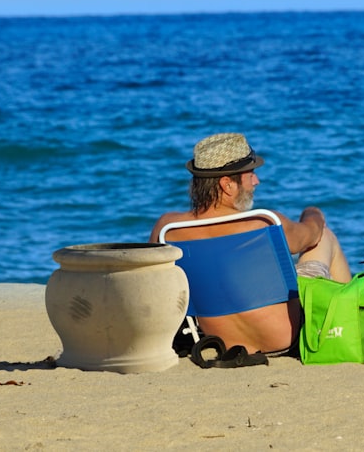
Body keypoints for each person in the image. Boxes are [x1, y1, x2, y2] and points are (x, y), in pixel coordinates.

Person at [150, 132, 351, 354]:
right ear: (227, 184)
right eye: (250, 174)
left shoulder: (169, 228)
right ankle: (349, 321)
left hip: (220, 341)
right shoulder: (264, 222)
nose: (257, 181)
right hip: (286, 338)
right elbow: (312, 234)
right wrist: (313, 212)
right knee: (326, 236)